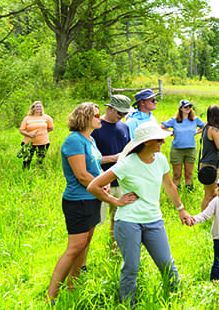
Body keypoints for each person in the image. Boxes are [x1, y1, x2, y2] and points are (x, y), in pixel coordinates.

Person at [87, 121, 193, 307]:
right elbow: (93, 186)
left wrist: (181, 209)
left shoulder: (160, 160)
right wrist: (115, 201)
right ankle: (128, 305)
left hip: (154, 220)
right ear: (145, 142)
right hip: (128, 222)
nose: (163, 142)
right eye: (158, 139)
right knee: (131, 268)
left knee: (167, 265)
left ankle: (178, 301)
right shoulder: (126, 164)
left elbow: (169, 186)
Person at [48, 102, 125, 303]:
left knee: (84, 244)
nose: (100, 119)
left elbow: (94, 168)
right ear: (85, 118)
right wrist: (102, 187)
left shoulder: (89, 139)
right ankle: (51, 296)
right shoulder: (74, 140)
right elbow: (82, 175)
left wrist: (102, 182)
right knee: (75, 247)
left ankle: (73, 286)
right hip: (78, 200)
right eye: (96, 115)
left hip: (92, 198)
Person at [91, 94, 134, 238]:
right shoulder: (95, 127)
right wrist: (114, 158)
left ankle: (115, 249)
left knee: (119, 220)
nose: (122, 116)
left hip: (122, 182)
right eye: (119, 112)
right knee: (95, 222)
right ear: (109, 108)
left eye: (125, 113)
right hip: (101, 182)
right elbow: (89, 159)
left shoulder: (125, 126)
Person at [161, 100, 204, 190]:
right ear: (180, 108)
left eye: (190, 106)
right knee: (177, 174)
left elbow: (205, 126)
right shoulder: (174, 120)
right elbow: (162, 126)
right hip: (177, 149)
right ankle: (176, 190)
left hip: (190, 149)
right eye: (186, 107)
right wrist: (171, 133)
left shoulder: (195, 119)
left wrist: (196, 132)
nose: (188, 108)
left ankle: (189, 189)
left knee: (189, 173)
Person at [199, 105, 219, 210]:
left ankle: (210, 215)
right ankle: (203, 216)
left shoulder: (206, 128)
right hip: (211, 165)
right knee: (210, 194)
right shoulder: (214, 129)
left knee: (214, 193)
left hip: (209, 163)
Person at [19, 100, 54, 169]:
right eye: (37, 106)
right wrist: (29, 135)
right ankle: (25, 171)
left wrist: (42, 133)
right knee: (27, 159)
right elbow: (21, 130)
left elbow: (50, 128)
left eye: (40, 106)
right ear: (33, 108)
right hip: (29, 142)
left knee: (40, 159)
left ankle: (38, 171)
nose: (39, 108)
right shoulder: (27, 118)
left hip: (43, 142)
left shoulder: (47, 117)